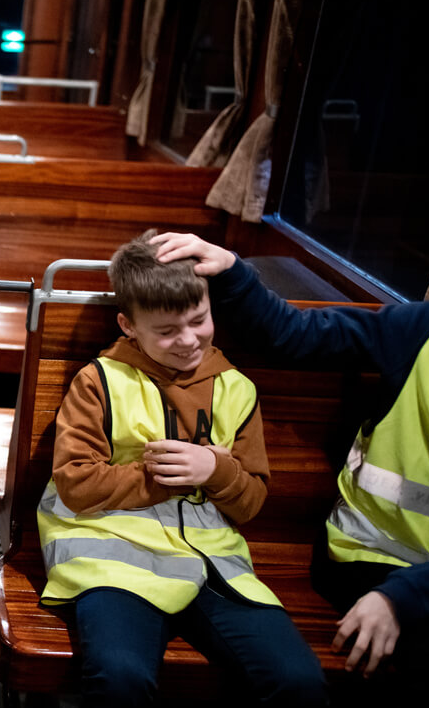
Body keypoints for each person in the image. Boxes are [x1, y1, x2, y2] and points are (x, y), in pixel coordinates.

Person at [37, 230, 326, 707]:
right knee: (120, 677)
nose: (189, 340)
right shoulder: (100, 381)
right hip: (114, 565)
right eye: (167, 331)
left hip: (214, 569)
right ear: (128, 326)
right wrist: (164, 476)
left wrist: (216, 470)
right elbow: (76, 484)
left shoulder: (236, 388)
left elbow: (251, 501)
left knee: (299, 682)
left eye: (199, 320)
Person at [154, 231, 429, 683]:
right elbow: (294, 336)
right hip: (363, 561)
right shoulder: (422, 330)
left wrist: (403, 598)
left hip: (418, 589)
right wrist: (231, 269)